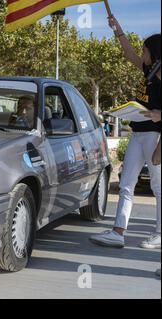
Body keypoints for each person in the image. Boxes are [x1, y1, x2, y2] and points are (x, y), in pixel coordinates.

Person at [90, 16, 161, 251]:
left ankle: (159, 233)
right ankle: (118, 232)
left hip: (156, 135)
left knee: (158, 187)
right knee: (126, 184)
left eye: (145, 50)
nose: (141, 53)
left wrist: (159, 115)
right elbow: (129, 54)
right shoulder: (148, 70)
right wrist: (117, 30)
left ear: (155, 52)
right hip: (138, 132)